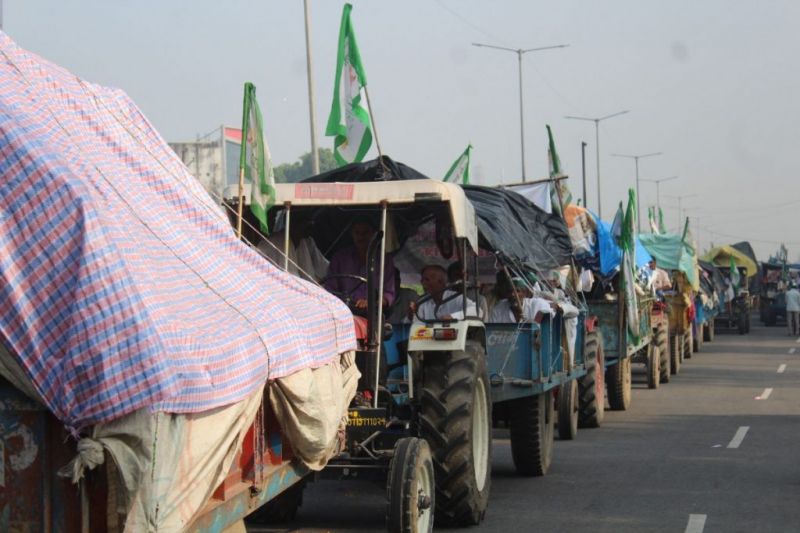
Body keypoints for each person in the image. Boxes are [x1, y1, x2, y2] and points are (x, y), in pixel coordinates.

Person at [324, 218, 396, 311]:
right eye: (357, 233)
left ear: (373, 234)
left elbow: (388, 294)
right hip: (344, 311)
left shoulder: (384, 259)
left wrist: (371, 303)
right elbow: (330, 289)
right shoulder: (339, 258)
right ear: (352, 234)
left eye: (365, 233)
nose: (361, 237)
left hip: (374, 314)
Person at [257, 218, 328, 282]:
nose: (311, 225)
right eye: (306, 223)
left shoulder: (306, 241)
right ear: (294, 225)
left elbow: (323, 267)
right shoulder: (280, 241)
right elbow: (291, 277)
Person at [409, 265, 477, 321]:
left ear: (441, 282)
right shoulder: (422, 302)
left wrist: (453, 316)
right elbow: (416, 326)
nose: (423, 284)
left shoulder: (455, 297)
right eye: (422, 280)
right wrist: (412, 315)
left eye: (427, 280)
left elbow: (477, 311)